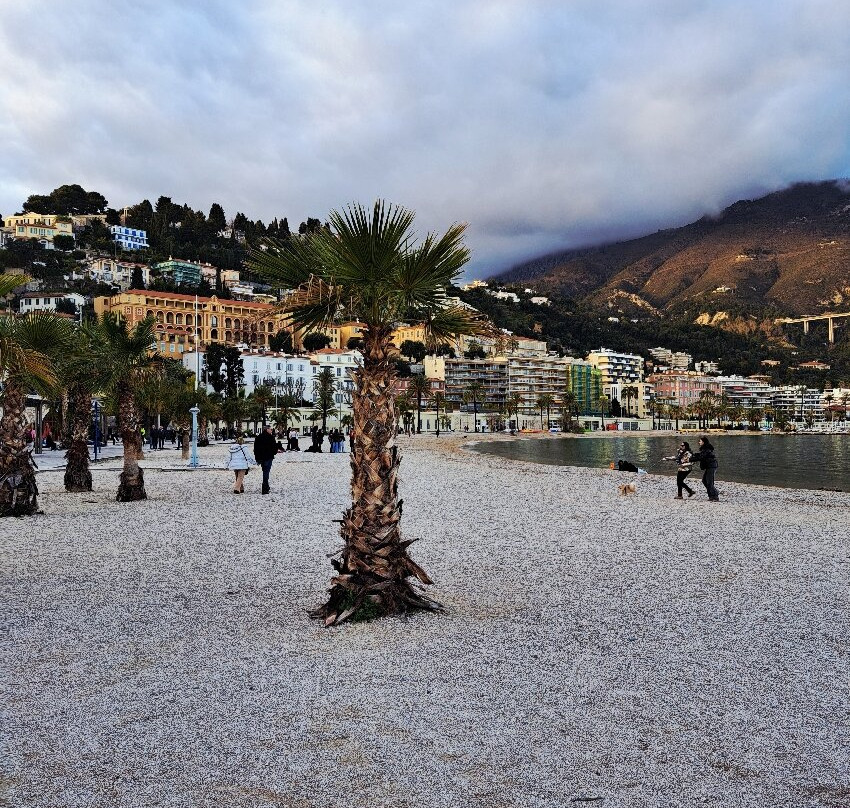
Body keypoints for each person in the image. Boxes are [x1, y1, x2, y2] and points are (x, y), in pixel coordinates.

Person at [689, 436, 720, 501]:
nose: (699, 442)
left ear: (703, 442)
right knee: (705, 481)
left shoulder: (707, 449)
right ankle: (712, 495)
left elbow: (701, 457)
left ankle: (715, 496)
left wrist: (690, 459)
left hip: (711, 466)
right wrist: (693, 455)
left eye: (700, 441)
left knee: (709, 482)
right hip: (709, 466)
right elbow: (700, 455)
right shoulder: (705, 449)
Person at [253, 424, 278, 494]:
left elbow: (255, 449)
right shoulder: (271, 437)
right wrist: (274, 453)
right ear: (267, 429)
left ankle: (266, 486)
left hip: (261, 458)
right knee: (266, 472)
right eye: (270, 429)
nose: (271, 430)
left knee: (264, 470)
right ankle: (265, 487)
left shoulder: (258, 437)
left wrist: (257, 458)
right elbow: (274, 448)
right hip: (268, 457)